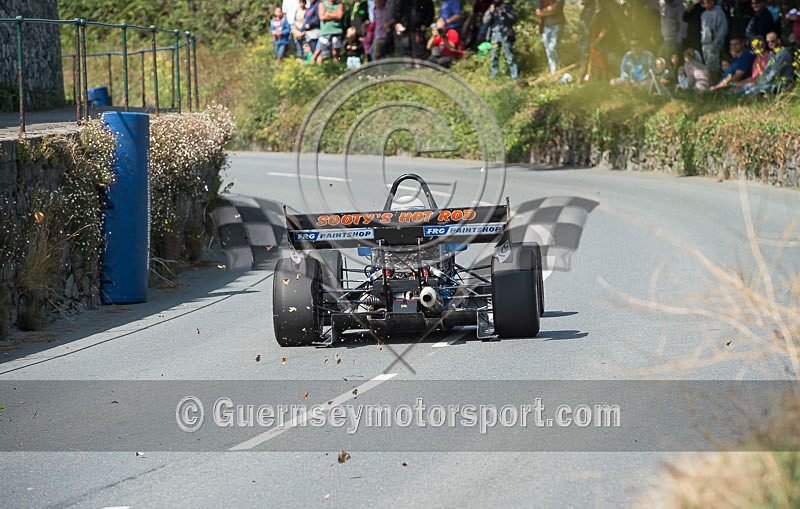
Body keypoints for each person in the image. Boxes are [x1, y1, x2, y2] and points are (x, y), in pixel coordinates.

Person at [483, 0, 518, 79]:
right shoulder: (491, 8)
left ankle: (514, 76)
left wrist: (503, 13)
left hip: (505, 35)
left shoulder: (507, 6)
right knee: (494, 56)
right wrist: (491, 13)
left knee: (509, 56)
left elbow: (514, 19)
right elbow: (485, 22)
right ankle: (494, 76)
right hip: (495, 35)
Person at [536, 0, 566, 74]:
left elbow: (553, 9)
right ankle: (553, 71)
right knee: (548, 50)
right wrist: (548, 11)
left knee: (552, 47)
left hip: (557, 24)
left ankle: (560, 65)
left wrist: (543, 12)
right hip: (545, 27)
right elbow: (537, 12)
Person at [700, 0, 727, 81]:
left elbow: (722, 30)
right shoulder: (703, 14)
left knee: (714, 66)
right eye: (705, 3)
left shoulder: (719, 13)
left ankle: (716, 83)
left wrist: (716, 42)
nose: (706, 4)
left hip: (714, 43)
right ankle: (710, 84)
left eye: (708, 2)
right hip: (705, 43)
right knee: (707, 66)